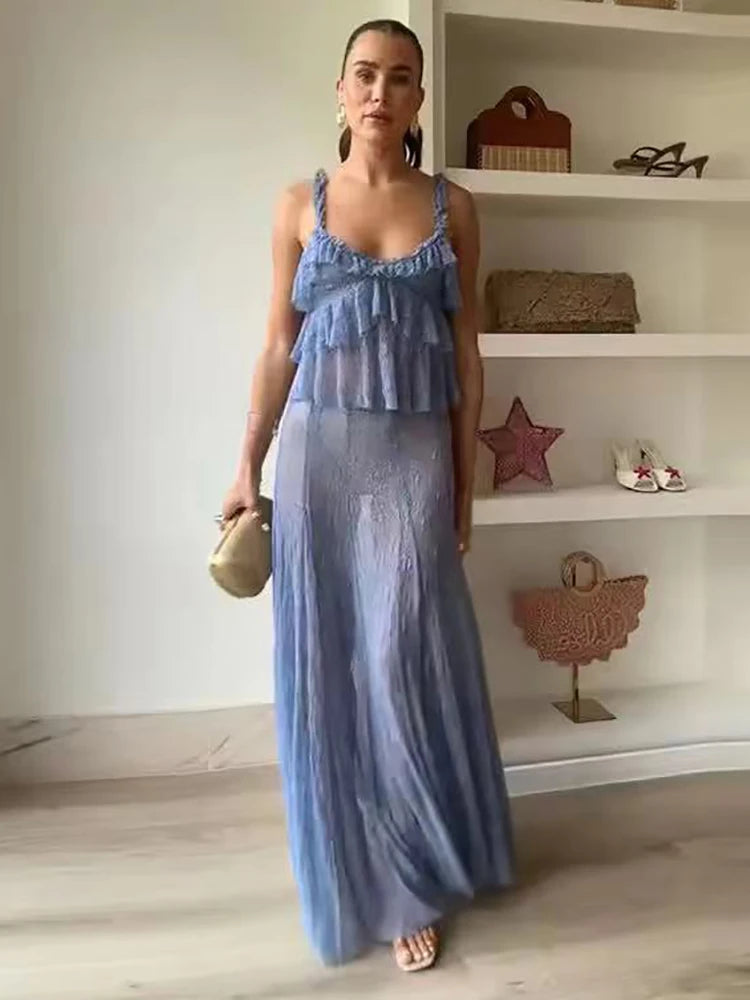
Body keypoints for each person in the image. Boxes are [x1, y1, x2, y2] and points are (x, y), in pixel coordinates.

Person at [222, 18, 515, 972]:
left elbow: (466, 353)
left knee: (399, 659)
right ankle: (383, 879)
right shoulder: (298, 205)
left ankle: (419, 850)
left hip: (412, 457)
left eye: (399, 78)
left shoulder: (453, 207)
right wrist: (244, 468)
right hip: (315, 459)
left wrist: (468, 481)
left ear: (419, 99)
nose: (380, 92)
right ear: (340, 92)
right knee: (337, 661)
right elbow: (276, 345)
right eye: (364, 75)